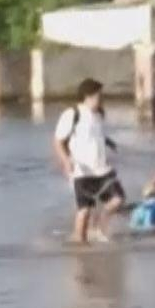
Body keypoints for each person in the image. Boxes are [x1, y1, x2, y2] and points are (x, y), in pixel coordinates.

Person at [53, 78, 125, 243]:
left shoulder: (99, 114)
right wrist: (66, 161)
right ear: (88, 95)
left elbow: (95, 134)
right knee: (84, 210)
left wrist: (108, 142)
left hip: (102, 169)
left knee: (118, 199)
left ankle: (98, 224)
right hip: (81, 170)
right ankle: (80, 245)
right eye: (99, 95)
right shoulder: (72, 114)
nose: (102, 98)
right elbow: (58, 141)